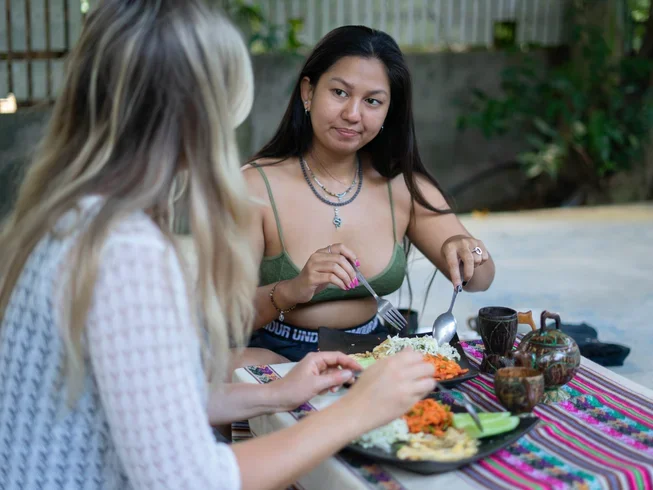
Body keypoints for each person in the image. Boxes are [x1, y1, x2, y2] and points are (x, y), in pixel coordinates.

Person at [0, 3, 437, 490]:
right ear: (195, 112)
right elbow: (191, 479)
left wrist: (276, 394)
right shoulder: (128, 252)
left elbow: (151, 403)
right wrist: (356, 411)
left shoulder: (70, 215)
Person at [243, 25, 496, 364]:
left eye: (372, 101)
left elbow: (481, 280)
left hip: (374, 354)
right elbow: (223, 318)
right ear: (308, 92)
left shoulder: (401, 186)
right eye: (339, 93)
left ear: (389, 111)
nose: (352, 114)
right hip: (279, 356)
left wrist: (468, 249)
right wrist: (292, 290)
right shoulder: (255, 187)